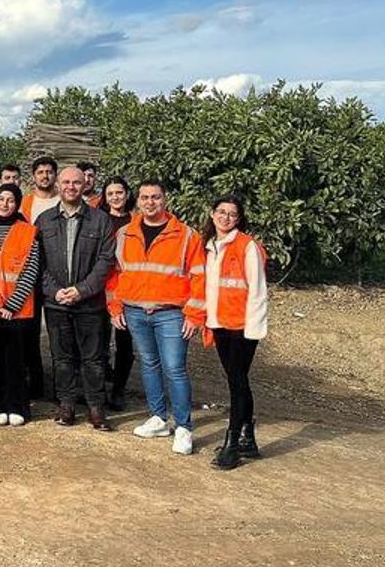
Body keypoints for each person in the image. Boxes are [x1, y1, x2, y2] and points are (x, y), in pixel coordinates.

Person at [107, 180, 206, 456]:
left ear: (165, 200)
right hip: (136, 311)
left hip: (171, 313)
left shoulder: (187, 235)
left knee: (174, 368)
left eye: (156, 197)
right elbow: (115, 274)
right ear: (137, 201)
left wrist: (194, 314)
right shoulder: (125, 234)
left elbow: (200, 276)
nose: (150, 202)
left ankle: (184, 427)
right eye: (145, 197)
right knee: (149, 364)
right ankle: (159, 418)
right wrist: (115, 308)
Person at [36, 167, 118, 431]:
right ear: (59, 185)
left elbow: (106, 260)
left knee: (93, 358)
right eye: (67, 182)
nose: (71, 187)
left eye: (77, 182)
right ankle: (67, 405)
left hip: (90, 303)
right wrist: (55, 290)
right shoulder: (44, 220)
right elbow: (38, 263)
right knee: (62, 357)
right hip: (56, 302)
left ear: (85, 186)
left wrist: (82, 289)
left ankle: (96, 408)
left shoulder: (100, 220)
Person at [196, 195, 268, 470]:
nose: (226, 218)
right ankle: (248, 436)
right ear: (212, 214)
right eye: (221, 212)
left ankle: (232, 443)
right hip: (219, 324)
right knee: (237, 381)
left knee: (237, 383)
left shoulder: (247, 246)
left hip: (242, 328)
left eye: (232, 214)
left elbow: (258, 291)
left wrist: (253, 330)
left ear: (239, 219)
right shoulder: (208, 246)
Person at [0, 184, 38, 425]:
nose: (5, 204)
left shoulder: (29, 232)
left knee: (16, 360)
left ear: (17, 204)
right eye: (1, 199)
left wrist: (11, 306)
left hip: (17, 310)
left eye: (10, 200)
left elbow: (30, 272)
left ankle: (18, 406)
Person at [101, 177, 136, 409]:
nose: (115, 197)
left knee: (125, 342)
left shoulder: (137, 222)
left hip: (127, 289)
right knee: (97, 340)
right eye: (110, 193)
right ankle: (94, 388)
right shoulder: (98, 219)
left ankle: (118, 389)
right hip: (99, 288)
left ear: (127, 194)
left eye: (119, 192)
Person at [20, 156, 60, 222]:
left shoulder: (65, 201)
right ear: (33, 177)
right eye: (40, 172)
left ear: (56, 176)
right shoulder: (24, 203)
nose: (45, 176)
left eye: (49, 172)